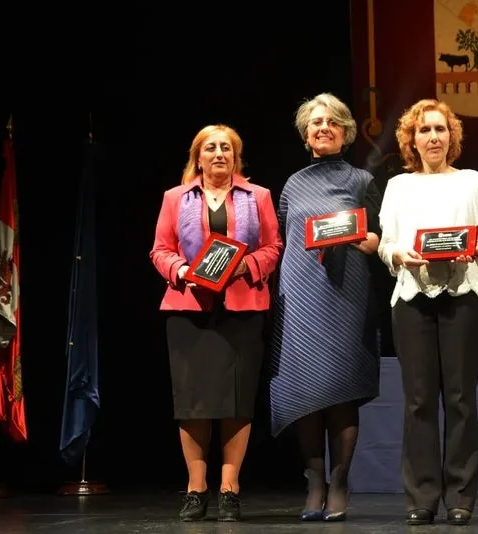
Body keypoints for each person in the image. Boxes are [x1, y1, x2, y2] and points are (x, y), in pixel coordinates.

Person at [149, 124, 283, 522]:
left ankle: (229, 488)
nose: (219, 153)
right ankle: (195, 488)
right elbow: (159, 249)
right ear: (198, 156)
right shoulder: (175, 198)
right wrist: (184, 270)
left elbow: (275, 247)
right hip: (189, 310)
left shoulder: (259, 196)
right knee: (192, 403)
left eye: (227, 147)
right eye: (211, 148)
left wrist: (247, 264)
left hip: (242, 310)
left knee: (237, 401)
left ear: (236, 157)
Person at [378, 98, 478, 526]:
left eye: (440, 129)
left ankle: (461, 496)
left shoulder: (472, 182)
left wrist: (473, 251)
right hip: (412, 297)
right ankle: (422, 496)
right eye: (424, 130)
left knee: (461, 399)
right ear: (411, 139)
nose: (433, 137)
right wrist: (398, 254)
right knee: (418, 400)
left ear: (452, 136)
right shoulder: (398, 186)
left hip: (463, 293)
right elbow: (384, 243)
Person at [268, 92, 382, 522]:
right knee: (306, 390)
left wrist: (358, 237)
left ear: (345, 132)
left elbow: (375, 239)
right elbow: (283, 240)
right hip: (300, 295)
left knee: (341, 387)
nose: (323, 127)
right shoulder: (292, 184)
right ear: (305, 133)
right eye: (316, 122)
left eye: (332, 122)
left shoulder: (361, 181)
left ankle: (339, 478)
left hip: (346, 294)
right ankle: (313, 480)